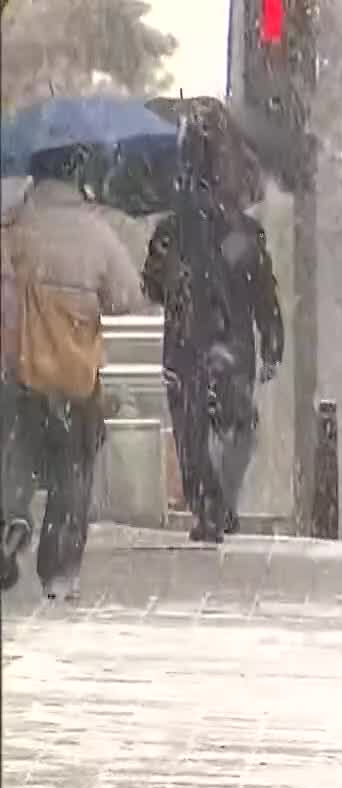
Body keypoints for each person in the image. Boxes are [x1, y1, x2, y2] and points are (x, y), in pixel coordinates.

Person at [0, 146, 146, 599]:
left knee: (16, 454)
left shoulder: (15, 228)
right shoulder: (96, 232)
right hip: (77, 373)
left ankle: (12, 515)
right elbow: (127, 296)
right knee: (72, 473)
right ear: (77, 173)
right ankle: (59, 570)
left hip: (23, 367)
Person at [141, 120, 284, 544]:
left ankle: (207, 506)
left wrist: (173, 279)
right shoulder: (244, 229)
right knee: (237, 424)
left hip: (184, 343)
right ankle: (222, 501)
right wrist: (272, 340)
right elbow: (263, 292)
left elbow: (152, 287)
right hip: (234, 343)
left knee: (191, 429)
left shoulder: (169, 230)